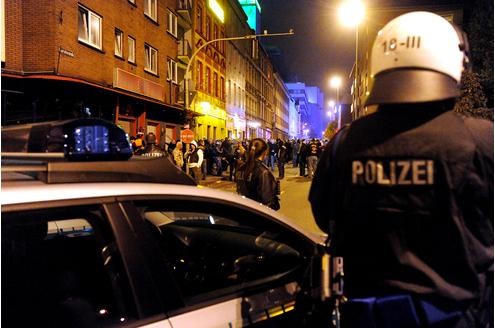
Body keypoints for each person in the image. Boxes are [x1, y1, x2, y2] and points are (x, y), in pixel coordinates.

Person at [309, 12, 493, 328]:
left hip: (366, 318)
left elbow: (323, 216)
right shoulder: (481, 141)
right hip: (458, 317)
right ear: (455, 62)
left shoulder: (344, 144)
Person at [236, 138, 280, 211]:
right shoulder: (264, 172)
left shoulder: (241, 168)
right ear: (265, 152)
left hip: (244, 209)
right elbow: (267, 201)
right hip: (258, 214)